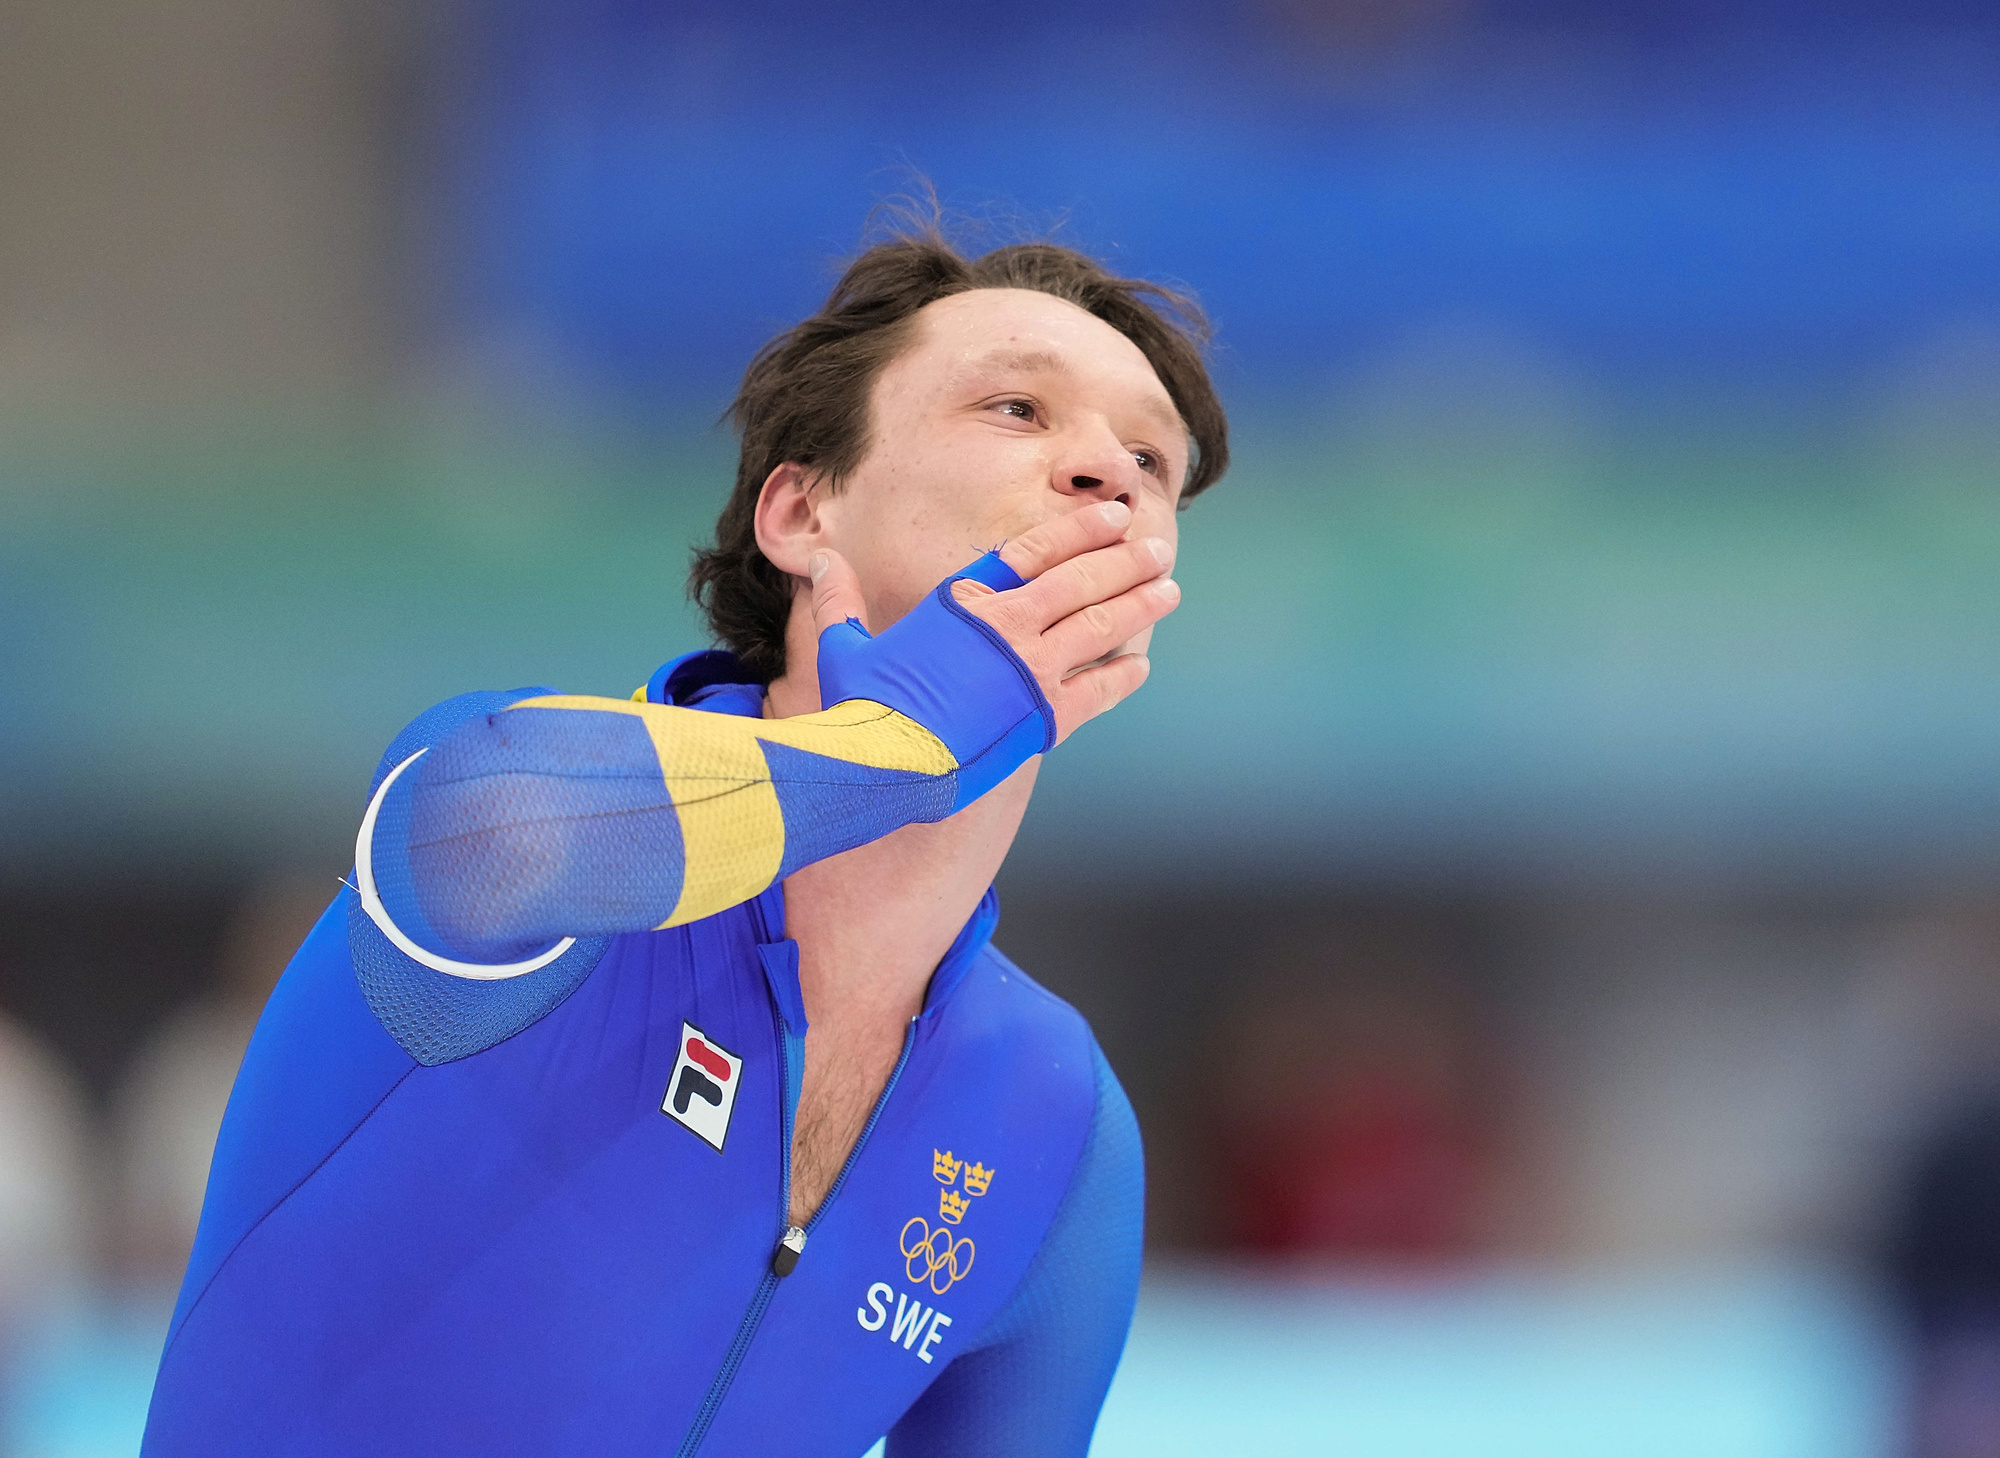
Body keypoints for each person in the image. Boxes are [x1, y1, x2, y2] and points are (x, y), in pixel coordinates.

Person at [142, 221, 1229, 1457]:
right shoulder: (537, 849)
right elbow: (485, 818)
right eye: (1017, 409)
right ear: (800, 510)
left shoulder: (1056, 1124)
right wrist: (908, 741)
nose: (1109, 470)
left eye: (1148, 452)